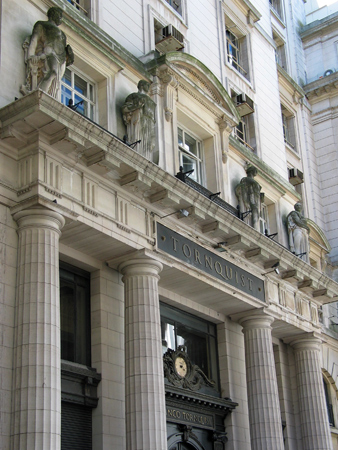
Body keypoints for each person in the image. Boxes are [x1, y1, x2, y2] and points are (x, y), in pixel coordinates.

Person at [22, 7, 74, 97]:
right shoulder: (42, 25)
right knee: (53, 72)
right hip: (49, 54)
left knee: (56, 81)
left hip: (61, 59)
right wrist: (30, 56)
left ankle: (49, 97)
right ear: (53, 14)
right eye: (60, 16)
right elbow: (34, 40)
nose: (61, 19)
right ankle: (40, 95)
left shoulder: (63, 35)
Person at [122, 80, 156, 161]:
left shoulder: (152, 102)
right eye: (146, 85)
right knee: (138, 139)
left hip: (149, 123)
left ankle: (147, 158)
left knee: (148, 144)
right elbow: (125, 108)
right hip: (138, 119)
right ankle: (137, 152)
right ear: (141, 85)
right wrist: (137, 106)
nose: (148, 87)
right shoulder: (133, 96)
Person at [235, 165, 263, 231]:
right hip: (251, 198)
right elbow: (254, 186)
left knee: (255, 211)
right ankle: (255, 227)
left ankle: (256, 227)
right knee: (255, 210)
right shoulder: (246, 180)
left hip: (254, 198)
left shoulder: (247, 180)